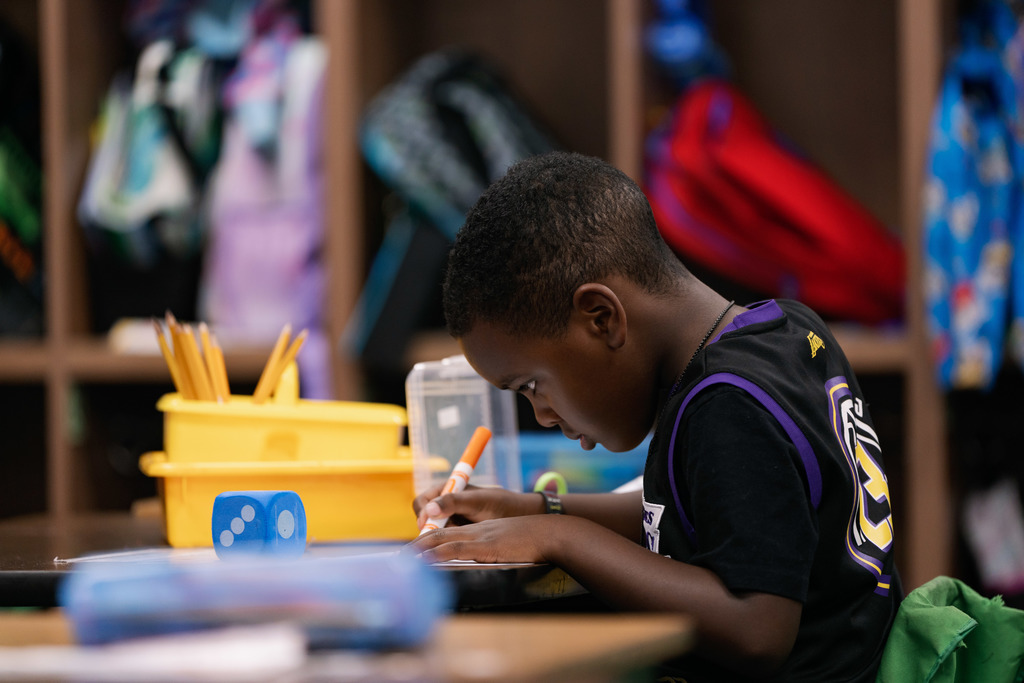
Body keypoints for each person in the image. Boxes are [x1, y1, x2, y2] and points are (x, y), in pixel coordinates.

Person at [410, 151, 901, 682]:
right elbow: (707, 518)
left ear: (601, 319)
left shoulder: (727, 405)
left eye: (531, 386)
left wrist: (562, 539)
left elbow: (756, 630)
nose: (544, 415)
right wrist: (538, 510)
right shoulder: (788, 332)